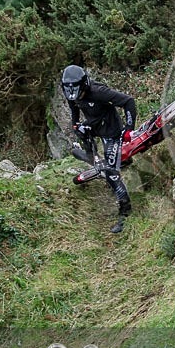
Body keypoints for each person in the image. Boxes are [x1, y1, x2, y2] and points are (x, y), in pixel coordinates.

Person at [61, 65, 137, 234]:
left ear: (85, 85)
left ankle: (125, 212)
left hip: (111, 130)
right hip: (94, 125)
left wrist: (129, 128)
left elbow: (128, 101)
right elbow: (74, 106)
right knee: (82, 133)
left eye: (80, 93)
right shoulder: (71, 92)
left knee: (111, 173)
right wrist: (76, 124)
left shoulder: (98, 92)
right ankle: (92, 157)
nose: (77, 97)